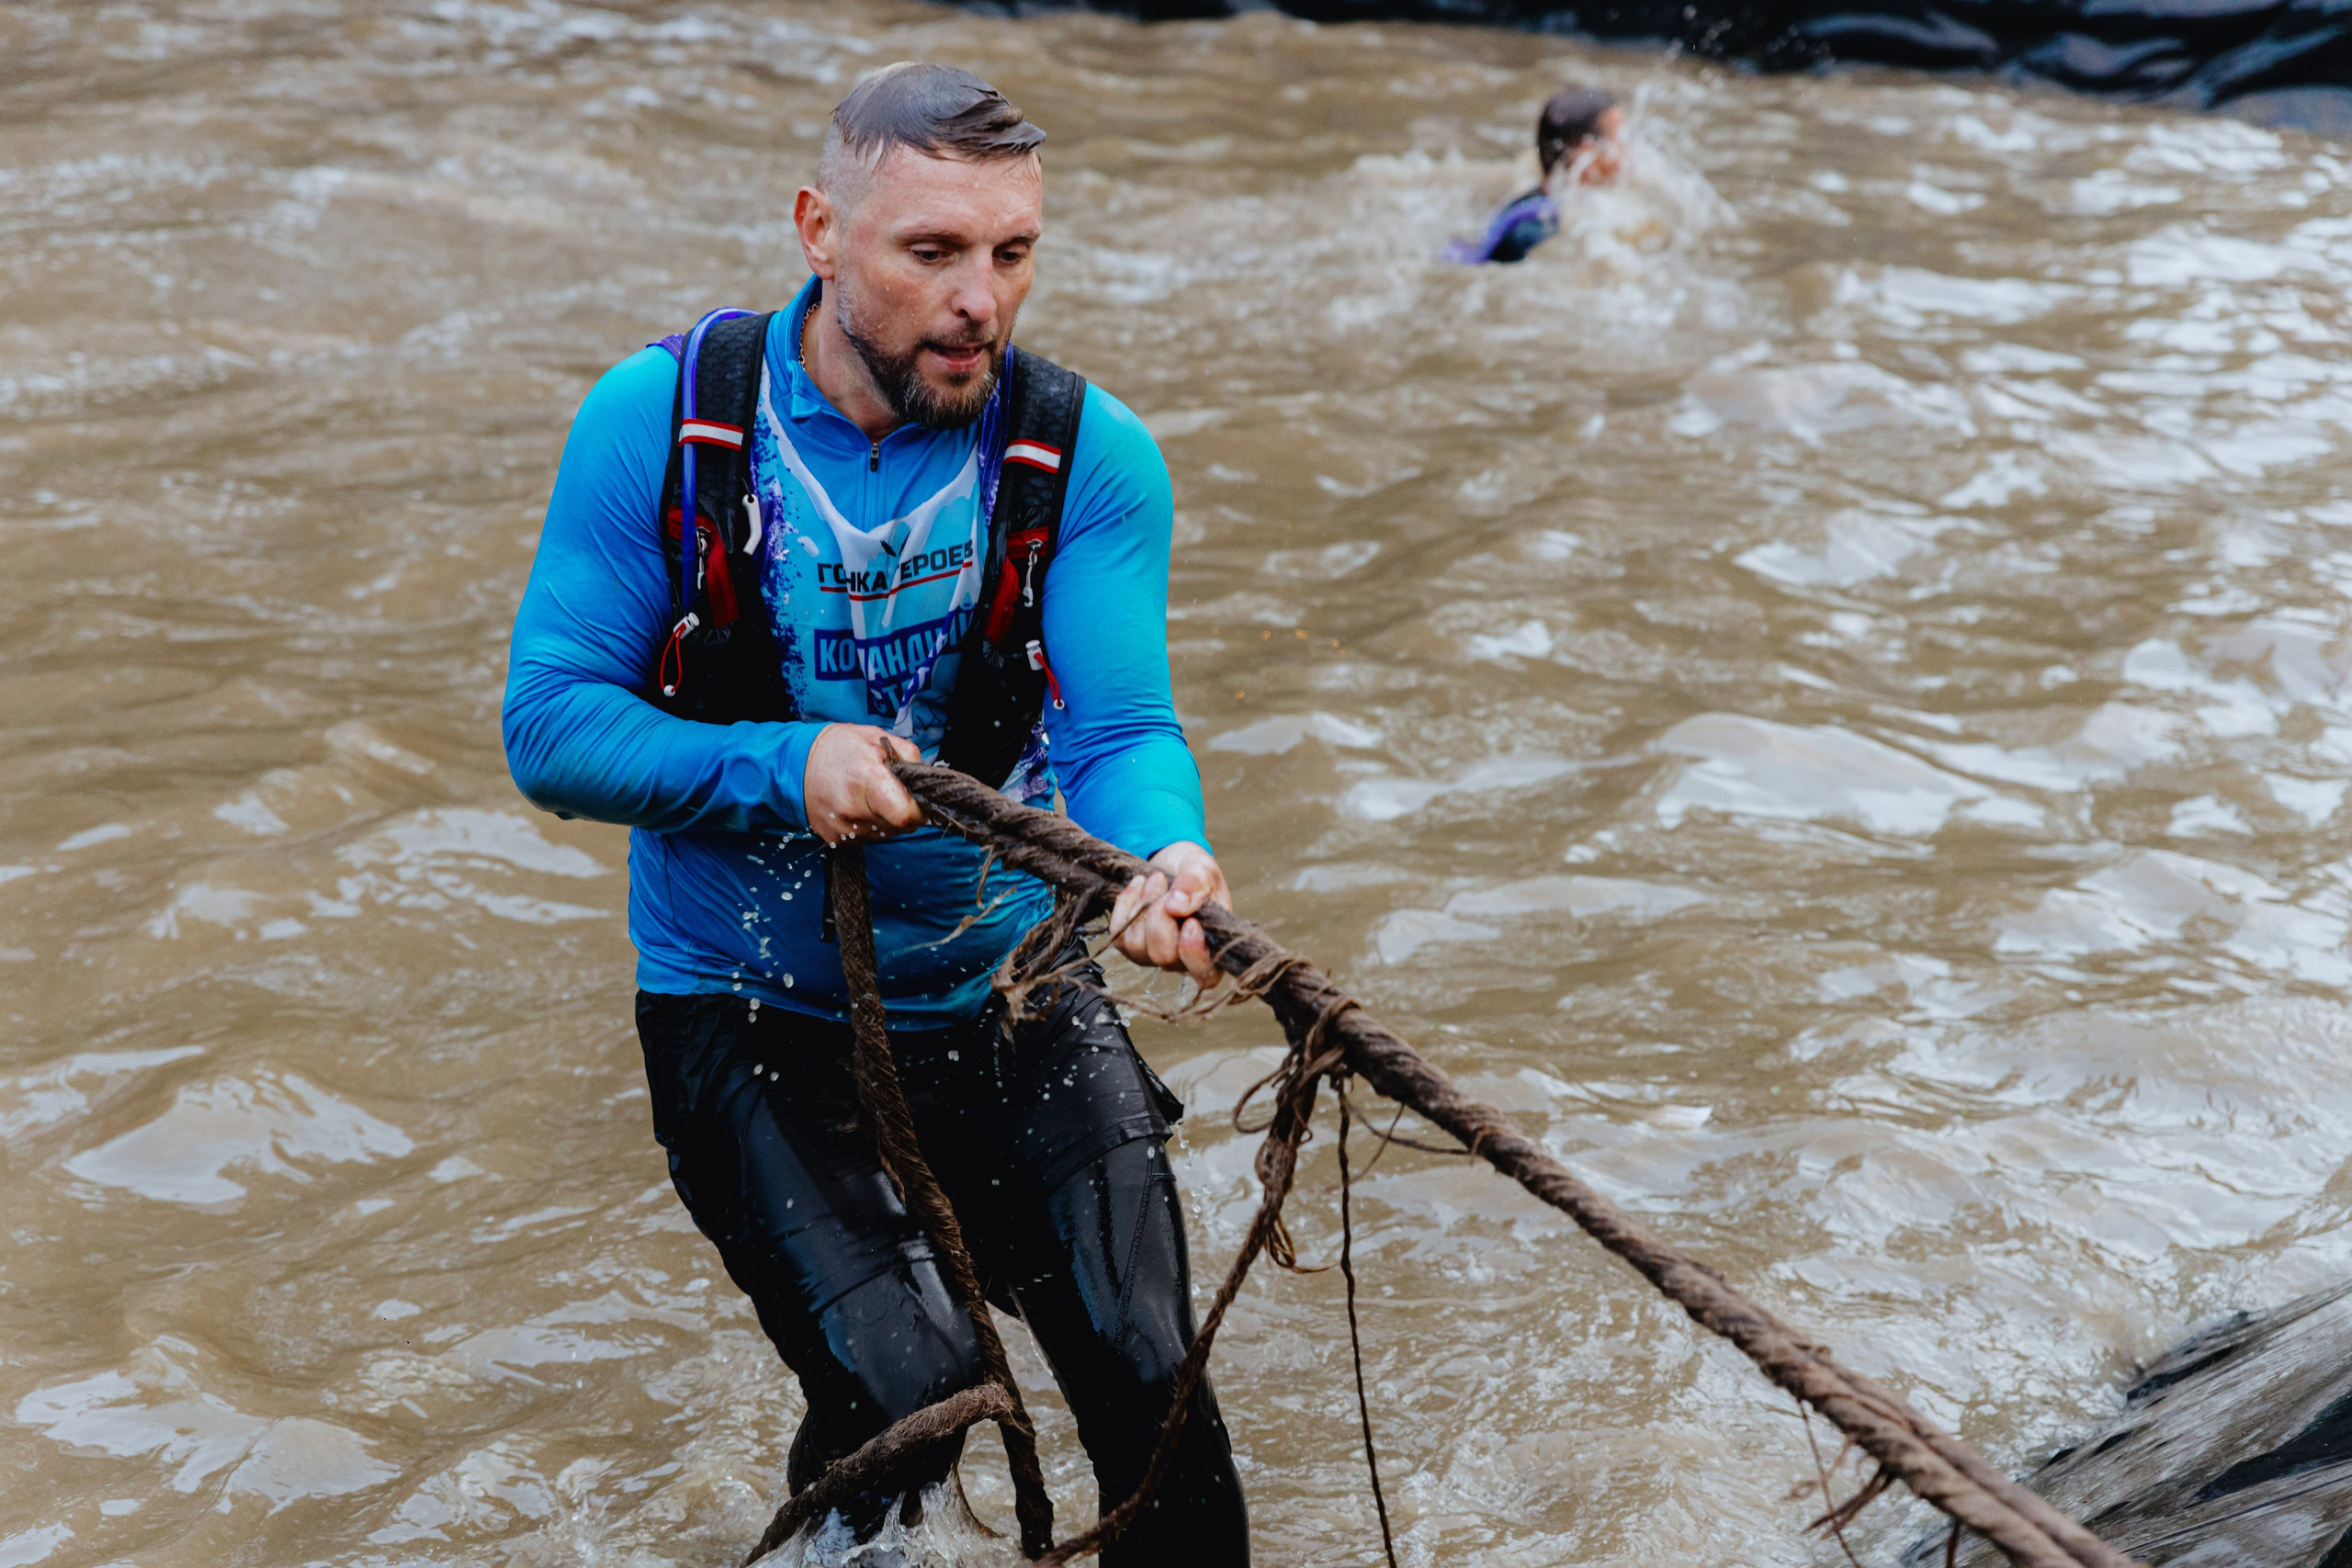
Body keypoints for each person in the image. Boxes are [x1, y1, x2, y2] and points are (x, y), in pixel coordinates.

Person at [502, 62, 1249, 1564]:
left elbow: (1119, 729)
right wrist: (781, 766)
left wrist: (1162, 854)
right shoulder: (665, 427)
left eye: (1013, 253)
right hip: (750, 1008)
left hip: (1013, 988)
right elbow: (552, 725)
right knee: (914, 1396)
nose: (981, 299)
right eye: (933, 253)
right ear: (818, 231)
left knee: (1163, 1407)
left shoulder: (1085, 459)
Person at [1443, 86, 1627, 265]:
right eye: (1619, 139)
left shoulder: (1537, 208)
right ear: (1586, 154)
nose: (1627, 150)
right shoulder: (1537, 232)